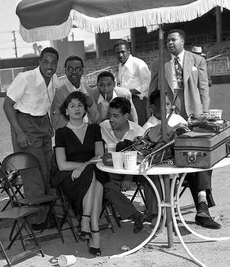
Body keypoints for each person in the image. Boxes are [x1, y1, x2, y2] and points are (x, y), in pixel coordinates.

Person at [142, 90, 220, 229]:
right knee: (196, 161)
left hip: (185, 166)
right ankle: (201, 208)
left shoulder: (177, 118)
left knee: (201, 158)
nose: (166, 108)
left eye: (167, 104)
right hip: (164, 172)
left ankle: (202, 208)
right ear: (152, 107)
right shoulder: (148, 127)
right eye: (161, 104)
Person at [52, 91, 109, 256]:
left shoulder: (94, 128)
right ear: (66, 111)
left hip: (90, 170)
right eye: (72, 105)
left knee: (94, 175)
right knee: (94, 175)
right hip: (70, 176)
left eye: (80, 105)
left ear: (85, 109)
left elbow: (99, 155)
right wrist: (83, 166)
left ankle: (88, 223)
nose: (77, 108)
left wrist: (84, 167)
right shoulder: (61, 133)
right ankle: (94, 232)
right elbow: (62, 165)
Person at [3, 47, 60, 195]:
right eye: (46, 62)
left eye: (53, 63)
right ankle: (37, 214)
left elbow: (45, 103)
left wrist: (48, 124)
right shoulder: (25, 78)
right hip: (25, 123)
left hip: (42, 123)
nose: (49, 66)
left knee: (49, 166)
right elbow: (7, 105)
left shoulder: (54, 78)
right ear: (40, 62)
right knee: (34, 169)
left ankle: (51, 209)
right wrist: (19, 133)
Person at [99, 97, 146, 233]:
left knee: (151, 180)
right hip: (111, 171)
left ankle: (154, 214)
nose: (111, 119)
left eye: (116, 116)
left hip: (134, 172)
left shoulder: (138, 132)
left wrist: (128, 176)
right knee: (106, 185)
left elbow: (143, 159)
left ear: (125, 116)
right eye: (110, 115)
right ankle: (135, 214)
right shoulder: (103, 127)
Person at [149, 29, 210, 120]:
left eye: (173, 40)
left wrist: (205, 110)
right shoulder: (158, 64)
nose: (170, 43)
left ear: (182, 41)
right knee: (172, 131)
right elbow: (152, 89)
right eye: (168, 41)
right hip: (168, 103)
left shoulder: (198, 60)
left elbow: (203, 87)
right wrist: (150, 109)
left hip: (191, 102)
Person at [50, 55, 98, 130]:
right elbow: (56, 124)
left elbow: (96, 119)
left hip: (88, 133)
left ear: (82, 71)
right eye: (70, 69)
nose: (74, 72)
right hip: (69, 135)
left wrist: (91, 106)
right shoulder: (58, 94)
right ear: (65, 71)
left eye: (77, 69)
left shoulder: (89, 91)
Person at [114, 40, 151, 126]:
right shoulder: (120, 65)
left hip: (138, 101)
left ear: (129, 51)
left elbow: (148, 83)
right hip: (125, 101)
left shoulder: (138, 63)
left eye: (122, 52)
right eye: (117, 53)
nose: (120, 55)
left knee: (140, 126)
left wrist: (131, 92)